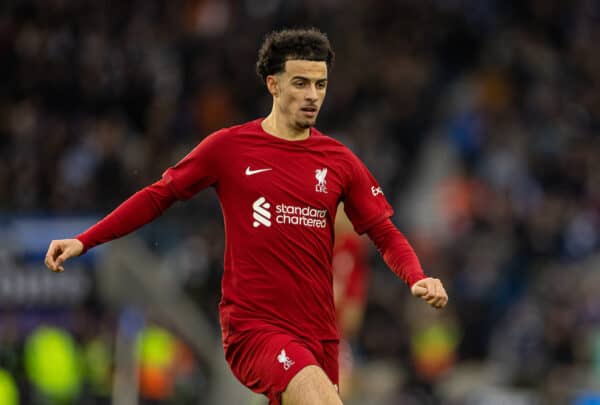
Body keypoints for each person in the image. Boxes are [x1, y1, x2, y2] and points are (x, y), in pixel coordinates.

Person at [44, 28, 448, 405]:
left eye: (320, 84)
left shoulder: (340, 162)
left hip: (320, 336)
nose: (312, 96)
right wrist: (85, 239)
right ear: (273, 84)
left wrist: (417, 276)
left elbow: (383, 231)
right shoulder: (230, 148)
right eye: (300, 83)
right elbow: (158, 196)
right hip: (256, 330)